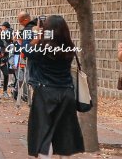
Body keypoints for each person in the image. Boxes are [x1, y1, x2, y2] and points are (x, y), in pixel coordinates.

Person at [26, 15, 84, 157]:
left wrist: (38, 36)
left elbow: (26, 50)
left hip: (45, 93)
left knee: (43, 133)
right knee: (64, 133)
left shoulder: (41, 47)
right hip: (67, 93)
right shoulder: (70, 48)